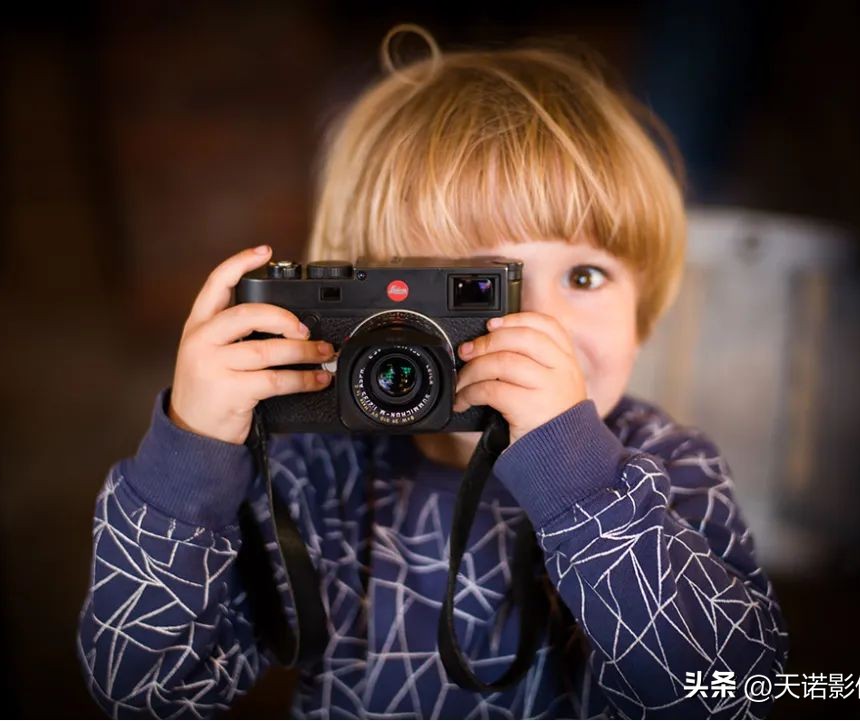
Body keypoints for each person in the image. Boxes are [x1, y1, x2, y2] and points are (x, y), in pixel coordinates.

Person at [76, 25, 787, 719]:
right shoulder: (319, 471)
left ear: (646, 315)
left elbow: (729, 695)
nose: (536, 324)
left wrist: (580, 484)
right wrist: (191, 454)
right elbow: (142, 690)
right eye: (479, 286)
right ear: (369, 308)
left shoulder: (671, 470)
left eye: (584, 274)